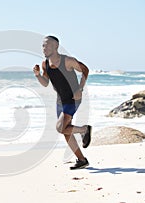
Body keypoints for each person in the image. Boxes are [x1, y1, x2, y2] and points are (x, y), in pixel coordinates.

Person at [33, 35, 92, 170]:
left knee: (60, 127)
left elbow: (85, 70)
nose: (44, 48)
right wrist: (37, 75)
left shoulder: (67, 61)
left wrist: (80, 89)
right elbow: (45, 83)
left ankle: (84, 129)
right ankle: (82, 160)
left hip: (72, 99)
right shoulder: (45, 64)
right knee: (66, 130)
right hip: (60, 100)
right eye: (43, 45)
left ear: (56, 46)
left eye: (47, 45)